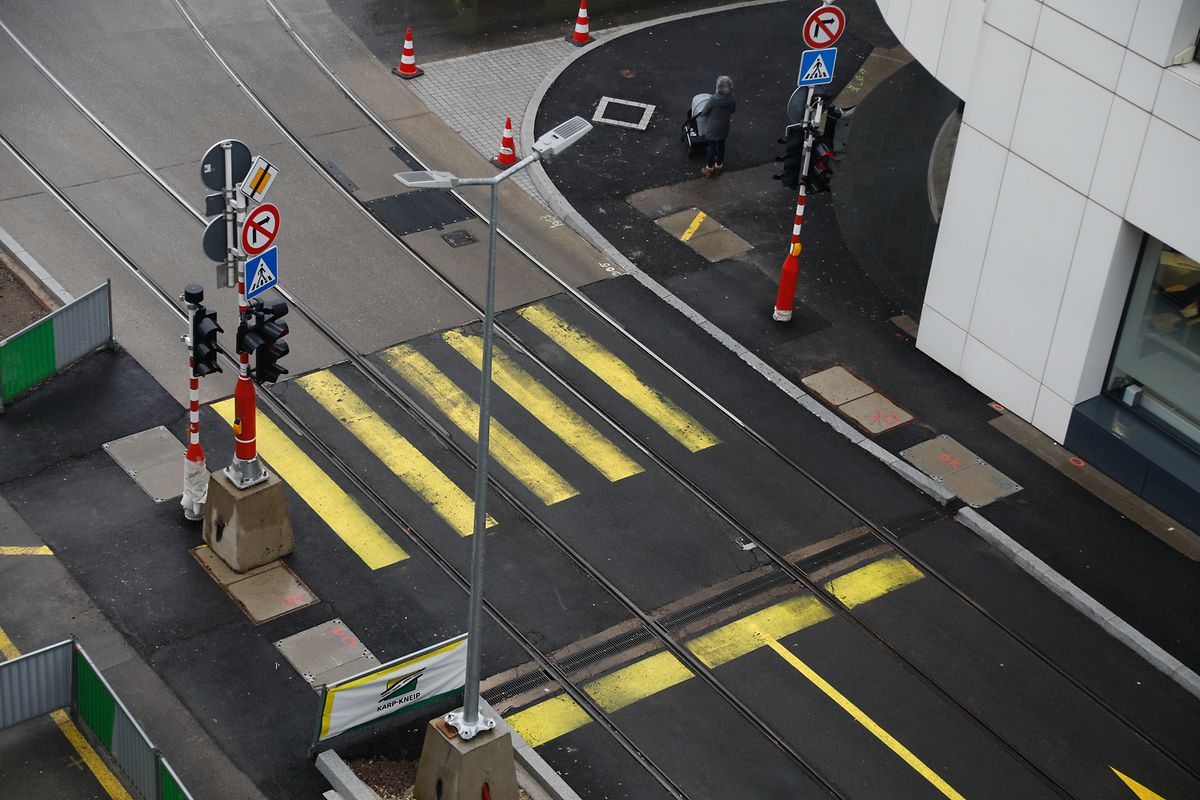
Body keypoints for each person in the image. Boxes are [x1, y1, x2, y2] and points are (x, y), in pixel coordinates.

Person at [699, 75, 736, 178]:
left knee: (711, 147)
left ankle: (708, 169)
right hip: (724, 126)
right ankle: (718, 166)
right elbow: (733, 110)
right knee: (721, 145)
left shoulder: (713, 99)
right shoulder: (732, 98)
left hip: (712, 128)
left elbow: (704, 112)